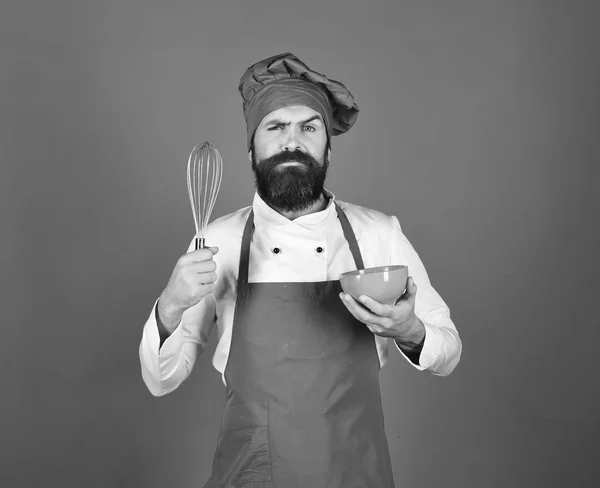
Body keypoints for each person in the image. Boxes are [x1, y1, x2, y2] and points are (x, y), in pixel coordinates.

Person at [139, 52, 462, 488]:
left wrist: (411, 331)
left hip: (356, 473)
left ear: (327, 146)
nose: (292, 141)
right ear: (252, 146)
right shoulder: (219, 239)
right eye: (275, 127)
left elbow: (448, 352)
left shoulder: (377, 234)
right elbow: (161, 380)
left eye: (309, 127)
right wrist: (170, 305)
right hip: (251, 476)